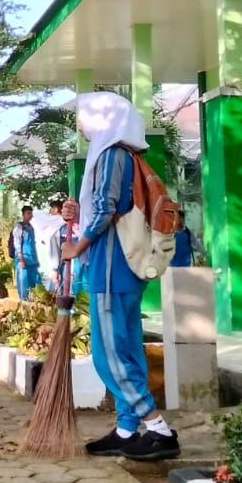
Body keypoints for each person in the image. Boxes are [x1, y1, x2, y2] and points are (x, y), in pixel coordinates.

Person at [61, 91, 180, 463]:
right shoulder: (123, 155)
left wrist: (76, 247)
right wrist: (78, 211)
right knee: (127, 350)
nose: (79, 124)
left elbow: (106, 210)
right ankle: (128, 429)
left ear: (102, 119)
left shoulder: (112, 155)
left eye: (82, 117)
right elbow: (105, 207)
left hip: (111, 269)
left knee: (107, 354)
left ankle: (158, 428)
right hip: (124, 272)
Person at [11, 205, 40, 300]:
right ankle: (24, 300)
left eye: (31, 213)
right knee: (23, 280)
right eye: (28, 213)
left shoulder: (31, 228)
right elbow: (17, 243)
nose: (30, 215)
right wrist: (21, 259)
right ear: (23, 215)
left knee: (36, 281)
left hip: (31, 259)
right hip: (22, 258)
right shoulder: (19, 227)